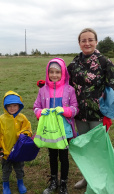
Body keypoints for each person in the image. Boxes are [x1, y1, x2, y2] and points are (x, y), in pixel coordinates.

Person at [67, 28, 114, 189]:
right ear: (79, 43)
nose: (87, 43)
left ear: (96, 42)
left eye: (90, 40)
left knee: (98, 150)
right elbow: (66, 85)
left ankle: (101, 182)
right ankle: (87, 179)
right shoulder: (74, 63)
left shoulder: (105, 62)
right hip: (79, 114)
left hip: (98, 115)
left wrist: (107, 112)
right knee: (86, 149)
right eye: (83, 40)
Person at [33, 58, 79, 194]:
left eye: (57, 72)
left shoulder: (69, 90)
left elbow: (75, 108)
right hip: (50, 131)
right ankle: (53, 181)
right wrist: (41, 112)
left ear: (63, 73)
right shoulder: (43, 91)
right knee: (52, 156)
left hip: (64, 131)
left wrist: (66, 110)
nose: (54, 75)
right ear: (47, 73)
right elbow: (36, 107)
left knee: (64, 157)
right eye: (51, 72)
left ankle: (63, 182)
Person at [0, 90, 32, 194]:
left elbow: (27, 128)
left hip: (19, 150)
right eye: (9, 106)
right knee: (6, 169)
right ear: (5, 106)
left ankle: (20, 182)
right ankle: (5, 184)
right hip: (5, 151)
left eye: (15, 105)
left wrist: (24, 134)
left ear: (19, 106)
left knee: (19, 168)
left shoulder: (22, 118)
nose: (12, 108)